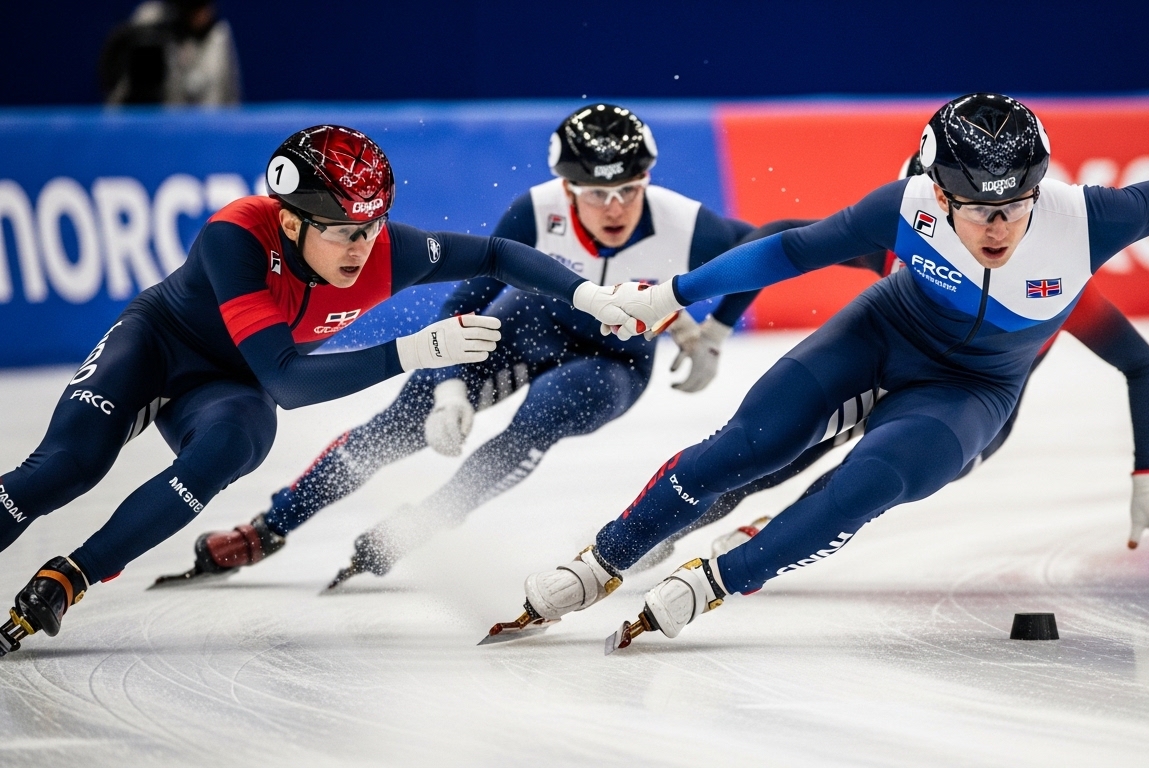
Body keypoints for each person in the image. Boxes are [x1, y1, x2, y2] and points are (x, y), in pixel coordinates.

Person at [487, 93, 1149, 648]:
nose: (999, 226)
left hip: (972, 392)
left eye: (1015, 206)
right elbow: (792, 250)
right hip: (883, 333)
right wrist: (674, 292)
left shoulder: (1087, 220)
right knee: (749, 444)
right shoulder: (905, 206)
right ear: (936, 193)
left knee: (872, 479)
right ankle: (600, 562)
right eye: (977, 208)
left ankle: (718, 579)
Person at [0, 124, 638, 657]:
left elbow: (498, 253)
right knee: (65, 469)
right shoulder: (239, 235)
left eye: (371, 227)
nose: (361, 247)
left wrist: (589, 295)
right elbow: (287, 380)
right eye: (341, 229)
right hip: (157, 349)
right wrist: (410, 352)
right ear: (291, 218)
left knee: (235, 444)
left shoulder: (389, 251)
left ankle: (68, 578)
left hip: (229, 386)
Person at [156, 104, 763, 592]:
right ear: (564, 187)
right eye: (592, 192)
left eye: (628, 191)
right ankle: (271, 526)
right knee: (403, 422)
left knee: (544, 414)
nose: (613, 208)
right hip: (530, 321)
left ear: (647, 182)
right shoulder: (535, 211)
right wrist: (448, 387)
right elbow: (467, 298)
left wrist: (714, 333)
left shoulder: (685, 221)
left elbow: (760, 250)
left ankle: (424, 523)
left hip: (613, 361)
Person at [635, 154, 1149, 572]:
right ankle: (659, 537)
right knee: (772, 456)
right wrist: (716, 330)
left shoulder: (1055, 287)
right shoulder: (902, 237)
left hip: (968, 405)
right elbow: (780, 237)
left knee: (862, 477)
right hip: (895, 366)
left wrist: (1147, 475)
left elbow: (1139, 363)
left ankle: (767, 532)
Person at [99, 0, 241, 106]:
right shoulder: (149, 22)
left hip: (208, 131)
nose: (203, 15)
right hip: (160, 127)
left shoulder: (218, 36)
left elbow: (229, 97)